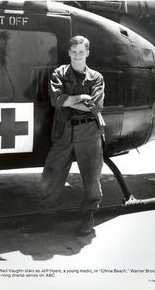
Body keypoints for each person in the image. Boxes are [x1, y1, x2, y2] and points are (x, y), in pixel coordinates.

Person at [39, 35, 105, 236]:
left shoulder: (96, 78)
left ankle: (88, 216)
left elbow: (96, 107)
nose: (77, 56)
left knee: (91, 176)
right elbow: (56, 100)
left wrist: (69, 101)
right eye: (74, 52)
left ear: (87, 53)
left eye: (81, 52)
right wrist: (82, 98)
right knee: (52, 172)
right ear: (69, 52)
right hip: (64, 130)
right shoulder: (59, 73)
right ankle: (46, 216)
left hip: (89, 131)